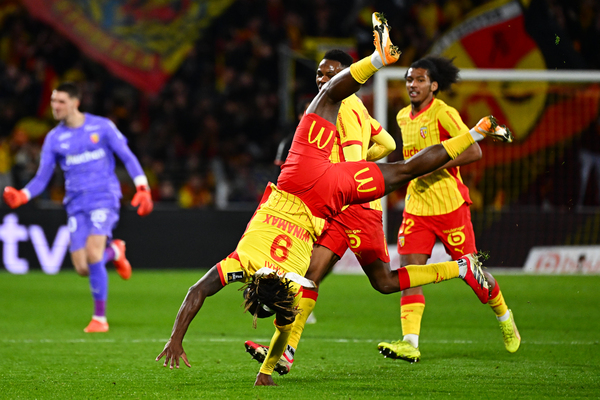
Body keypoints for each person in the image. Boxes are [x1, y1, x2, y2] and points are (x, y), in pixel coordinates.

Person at [156, 13, 511, 387]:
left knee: (403, 171)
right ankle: (382, 61)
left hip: (330, 196)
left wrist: (264, 373)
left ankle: (473, 137)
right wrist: (175, 337)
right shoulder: (240, 262)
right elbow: (197, 291)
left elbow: (282, 321)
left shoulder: (293, 283)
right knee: (335, 106)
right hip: (306, 177)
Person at [244, 48, 398, 375]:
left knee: (382, 281)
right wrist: (360, 163)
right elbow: (388, 145)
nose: (323, 79)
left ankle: (458, 269)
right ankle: (285, 353)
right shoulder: (359, 108)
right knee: (312, 276)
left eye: (331, 74)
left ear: (348, 74)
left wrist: (337, 172)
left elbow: (347, 161)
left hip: (346, 202)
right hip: (349, 200)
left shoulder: (341, 106)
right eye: (320, 74)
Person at [377, 56, 521, 363]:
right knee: (409, 272)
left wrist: (430, 167)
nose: (412, 85)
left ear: (434, 85)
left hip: (450, 206)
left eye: (419, 80)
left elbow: (473, 150)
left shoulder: (444, 113)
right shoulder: (402, 116)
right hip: (416, 208)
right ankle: (410, 343)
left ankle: (504, 316)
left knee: (472, 274)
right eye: (408, 79)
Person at [3, 82, 153, 333]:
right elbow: (42, 177)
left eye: (61, 101)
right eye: (53, 101)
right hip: (75, 203)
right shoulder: (54, 138)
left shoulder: (102, 126)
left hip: (103, 197)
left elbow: (127, 156)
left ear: (75, 102)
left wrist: (142, 187)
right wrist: (23, 195)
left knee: (94, 254)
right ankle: (115, 251)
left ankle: (99, 318)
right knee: (83, 267)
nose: (55, 106)